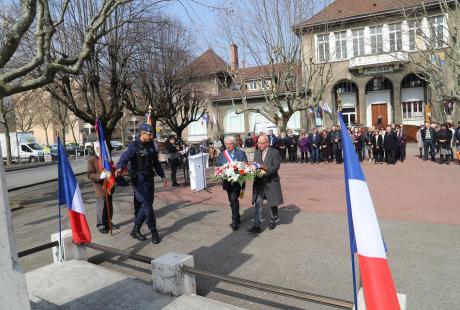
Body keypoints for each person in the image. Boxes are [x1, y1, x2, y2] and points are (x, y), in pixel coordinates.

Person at [115, 124, 167, 244]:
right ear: (142, 134)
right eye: (149, 135)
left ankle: (135, 229)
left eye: (151, 134)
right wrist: (119, 168)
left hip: (149, 179)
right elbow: (124, 158)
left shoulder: (151, 146)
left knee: (146, 206)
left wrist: (162, 175)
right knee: (147, 205)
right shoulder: (133, 146)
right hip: (138, 180)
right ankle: (154, 231)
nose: (151, 136)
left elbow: (156, 163)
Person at [248, 134, 284, 234]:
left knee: (272, 202)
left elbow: (276, 166)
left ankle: (273, 219)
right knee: (258, 202)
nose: (258, 145)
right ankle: (257, 225)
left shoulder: (275, 152)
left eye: (261, 143)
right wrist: (251, 170)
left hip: (271, 181)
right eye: (258, 143)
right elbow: (255, 164)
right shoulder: (257, 152)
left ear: (267, 143)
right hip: (259, 182)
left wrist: (264, 172)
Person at [216, 136, 248, 231]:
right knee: (231, 200)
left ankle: (235, 221)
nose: (229, 146)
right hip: (227, 182)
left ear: (234, 144)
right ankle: (237, 215)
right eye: (227, 144)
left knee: (234, 198)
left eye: (230, 144)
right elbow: (218, 165)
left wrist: (237, 170)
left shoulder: (241, 153)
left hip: (238, 181)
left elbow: (244, 165)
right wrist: (221, 171)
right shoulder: (222, 155)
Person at [87, 142, 119, 234]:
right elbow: (90, 174)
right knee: (101, 207)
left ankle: (108, 222)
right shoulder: (91, 160)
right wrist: (100, 176)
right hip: (100, 187)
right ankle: (101, 225)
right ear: (96, 149)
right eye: (100, 148)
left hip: (109, 185)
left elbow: (112, 168)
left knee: (109, 206)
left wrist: (114, 172)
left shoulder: (106, 158)